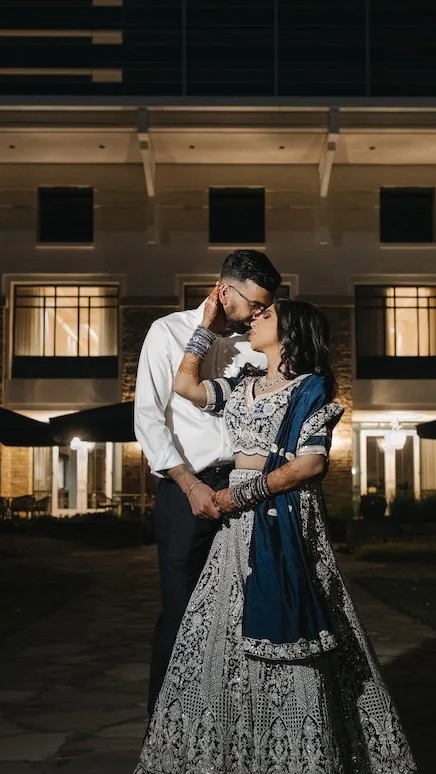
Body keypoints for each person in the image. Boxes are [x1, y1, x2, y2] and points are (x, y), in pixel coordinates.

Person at [122, 296, 436, 774]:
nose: (254, 320)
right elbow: (185, 388)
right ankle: (237, 771)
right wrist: (202, 330)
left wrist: (241, 495)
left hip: (280, 520)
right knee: (221, 641)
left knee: (290, 632)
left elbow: (310, 463)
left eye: (266, 316)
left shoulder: (311, 387)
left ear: (289, 333)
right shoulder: (244, 383)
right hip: (235, 527)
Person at [134, 249, 282, 717]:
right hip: (186, 488)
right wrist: (189, 485)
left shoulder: (253, 345)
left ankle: (226, 729)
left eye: (265, 307)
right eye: (254, 304)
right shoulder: (167, 332)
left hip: (244, 491)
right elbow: (148, 419)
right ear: (224, 290)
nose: (259, 315)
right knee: (181, 614)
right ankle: (166, 732)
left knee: (242, 615)